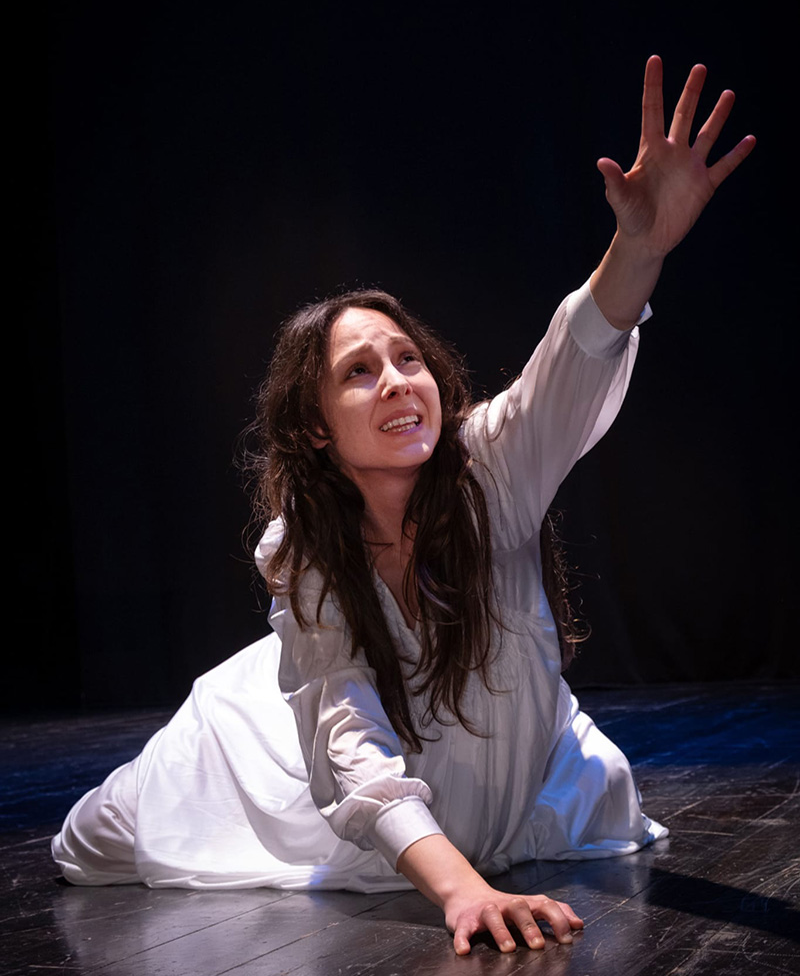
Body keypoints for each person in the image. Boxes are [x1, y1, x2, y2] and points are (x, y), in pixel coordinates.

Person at [52, 57, 754, 955]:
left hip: (510, 777)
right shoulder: (306, 547)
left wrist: (640, 248)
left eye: (407, 358)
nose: (397, 381)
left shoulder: (490, 466)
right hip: (292, 754)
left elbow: (569, 364)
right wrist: (463, 890)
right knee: (92, 840)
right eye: (360, 371)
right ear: (315, 427)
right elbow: (350, 742)